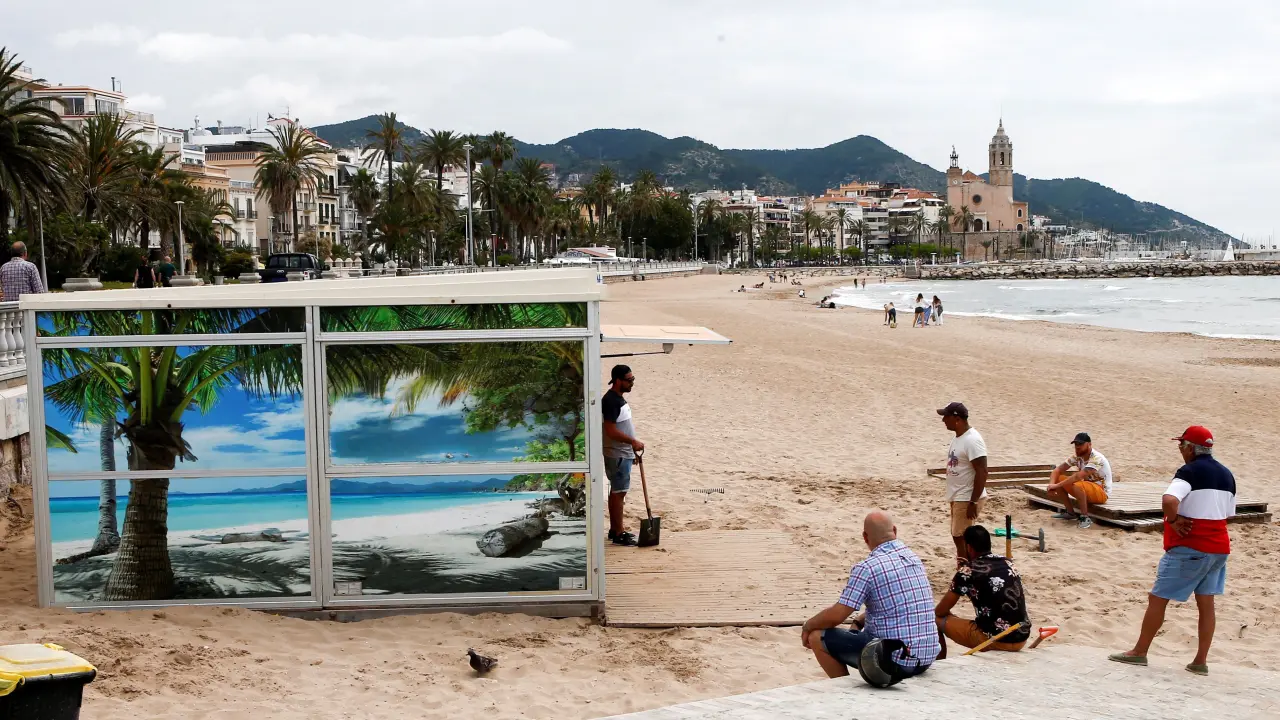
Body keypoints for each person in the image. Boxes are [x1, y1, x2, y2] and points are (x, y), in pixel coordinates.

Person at [1110, 426, 1235, 676]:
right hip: (1219, 548)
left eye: (1181, 445)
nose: (1180, 449)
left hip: (1191, 546)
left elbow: (1169, 500)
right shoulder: (1226, 474)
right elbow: (1228, 514)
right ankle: (1200, 661)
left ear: (1190, 448)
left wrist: (1174, 520)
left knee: (1158, 598)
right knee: (1206, 603)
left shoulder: (1188, 472)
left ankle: (1140, 651)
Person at [802, 510, 940, 679]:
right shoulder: (913, 559)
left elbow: (837, 615)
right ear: (894, 530)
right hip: (925, 659)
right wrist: (858, 621)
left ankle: (842, 685)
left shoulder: (867, 568)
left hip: (893, 662)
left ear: (865, 537)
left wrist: (808, 625)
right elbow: (897, 606)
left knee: (817, 637)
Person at [935, 525, 1031, 658]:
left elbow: (940, 611)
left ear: (969, 547)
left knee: (934, 619)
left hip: (995, 640)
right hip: (1021, 636)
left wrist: (962, 573)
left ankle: (939, 664)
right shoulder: (1007, 562)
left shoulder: (967, 571)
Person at [938, 402, 988, 561]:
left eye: (946, 417)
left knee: (961, 537)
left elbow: (982, 471)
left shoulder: (972, 440)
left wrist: (973, 501)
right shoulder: (959, 437)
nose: (943, 420)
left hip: (966, 496)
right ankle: (966, 567)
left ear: (957, 419)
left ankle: (966, 569)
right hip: (958, 495)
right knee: (959, 536)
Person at [601, 365, 644, 546]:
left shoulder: (617, 399)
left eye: (633, 379)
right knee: (619, 493)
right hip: (617, 454)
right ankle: (619, 533)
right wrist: (632, 442)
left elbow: (622, 426)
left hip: (622, 453)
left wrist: (631, 449)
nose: (632, 383)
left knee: (617, 492)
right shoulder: (610, 401)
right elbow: (610, 431)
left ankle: (615, 530)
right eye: (629, 380)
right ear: (618, 380)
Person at [1046, 432, 1113, 529]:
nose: (1077, 447)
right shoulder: (1077, 457)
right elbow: (1057, 470)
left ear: (1089, 444)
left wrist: (1057, 486)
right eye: (1076, 444)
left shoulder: (1096, 458)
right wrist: (1051, 485)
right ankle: (1070, 512)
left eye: (1080, 444)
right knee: (1059, 478)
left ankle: (1085, 517)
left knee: (1077, 484)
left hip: (1101, 492)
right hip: (1087, 488)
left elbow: (1078, 476)